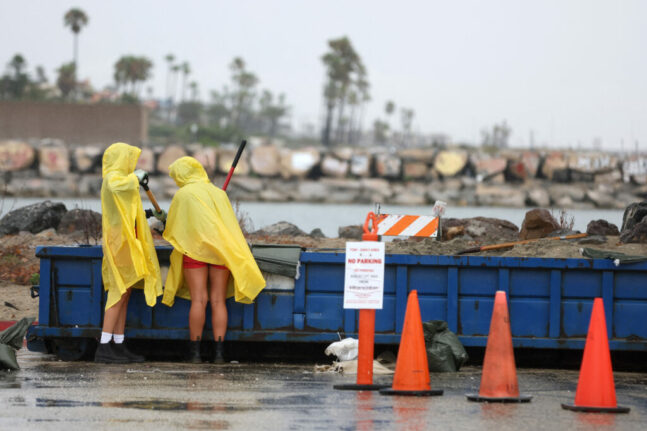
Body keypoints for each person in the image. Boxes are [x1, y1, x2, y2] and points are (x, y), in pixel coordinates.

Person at [162, 156, 265, 363]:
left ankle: (195, 354)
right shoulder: (219, 194)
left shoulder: (183, 195)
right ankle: (219, 354)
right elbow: (229, 225)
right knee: (218, 300)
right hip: (220, 252)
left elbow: (174, 227)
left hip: (194, 251)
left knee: (199, 300)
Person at [94, 142, 163, 363]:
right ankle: (104, 347)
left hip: (128, 241)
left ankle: (119, 342)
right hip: (119, 242)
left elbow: (128, 212)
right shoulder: (113, 178)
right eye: (129, 159)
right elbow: (116, 187)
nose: (132, 164)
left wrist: (151, 213)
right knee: (119, 291)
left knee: (127, 291)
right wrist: (135, 177)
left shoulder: (124, 181)